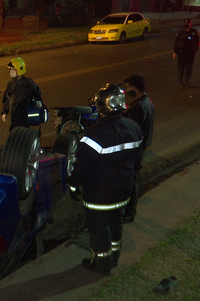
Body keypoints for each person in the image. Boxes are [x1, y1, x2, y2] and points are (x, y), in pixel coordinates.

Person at [68, 83, 143, 275]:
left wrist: (74, 186)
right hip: (123, 191)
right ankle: (114, 257)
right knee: (116, 224)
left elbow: (82, 167)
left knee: (99, 229)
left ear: (101, 107)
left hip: (100, 195)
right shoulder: (134, 127)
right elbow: (137, 160)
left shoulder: (94, 135)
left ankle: (102, 265)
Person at [122, 74, 155, 223]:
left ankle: (129, 212)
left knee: (131, 180)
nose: (127, 90)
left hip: (135, 149)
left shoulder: (138, 107)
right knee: (135, 178)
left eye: (129, 87)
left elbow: (131, 131)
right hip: (141, 147)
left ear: (135, 88)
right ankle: (130, 210)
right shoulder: (147, 102)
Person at [1, 57, 44, 131]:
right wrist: (5, 112)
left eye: (13, 69)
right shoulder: (10, 84)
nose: (11, 71)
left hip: (25, 114)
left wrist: (39, 101)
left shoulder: (28, 82)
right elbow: (7, 99)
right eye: (10, 69)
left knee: (24, 133)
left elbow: (37, 94)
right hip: (14, 115)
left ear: (19, 70)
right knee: (14, 132)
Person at [173, 19, 199, 87]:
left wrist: (196, 49)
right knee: (181, 67)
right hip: (182, 52)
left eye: (187, 23)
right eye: (185, 23)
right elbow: (176, 42)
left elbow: (197, 41)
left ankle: (186, 81)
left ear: (190, 24)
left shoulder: (194, 32)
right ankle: (180, 81)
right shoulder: (181, 33)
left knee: (188, 68)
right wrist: (175, 52)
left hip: (190, 52)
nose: (186, 25)